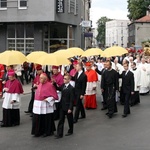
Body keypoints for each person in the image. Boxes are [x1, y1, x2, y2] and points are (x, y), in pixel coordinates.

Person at [31, 73, 58, 137]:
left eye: (41, 78)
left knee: (46, 118)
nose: (40, 79)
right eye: (40, 78)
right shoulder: (39, 84)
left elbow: (54, 96)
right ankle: (38, 131)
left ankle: (47, 131)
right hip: (38, 104)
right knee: (38, 118)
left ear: (45, 79)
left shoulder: (50, 86)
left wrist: (47, 99)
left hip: (45, 104)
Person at [55, 75, 74, 139]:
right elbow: (58, 88)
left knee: (70, 119)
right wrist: (54, 83)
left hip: (68, 106)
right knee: (61, 120)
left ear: (69, 80)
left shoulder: (71, 88)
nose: (64, 80)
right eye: (64, 79)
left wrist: (70, 108)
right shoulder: (63, 85)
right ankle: (59, 133)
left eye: (65, 79)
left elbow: (72, 99)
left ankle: (71, 130)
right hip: (62, 105)